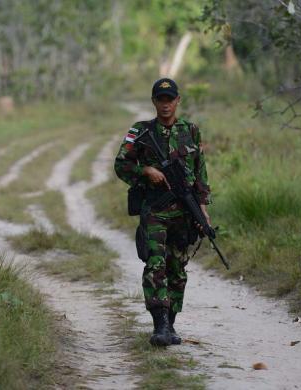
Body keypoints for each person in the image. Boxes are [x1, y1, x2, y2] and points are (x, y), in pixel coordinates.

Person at [114, 78, 211, 347]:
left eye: (170, 99)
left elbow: (201, 175)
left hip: (184, 214)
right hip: (155, 209)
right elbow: (121, 164)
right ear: (154, 102)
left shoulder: (191, 131)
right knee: (156, 263)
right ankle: (160, 325)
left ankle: (172, 323)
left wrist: (203, 213)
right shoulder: (140, 131)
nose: (165, 104)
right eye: (161, 99)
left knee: (177, 269)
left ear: (178, 100)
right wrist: (145, 171)